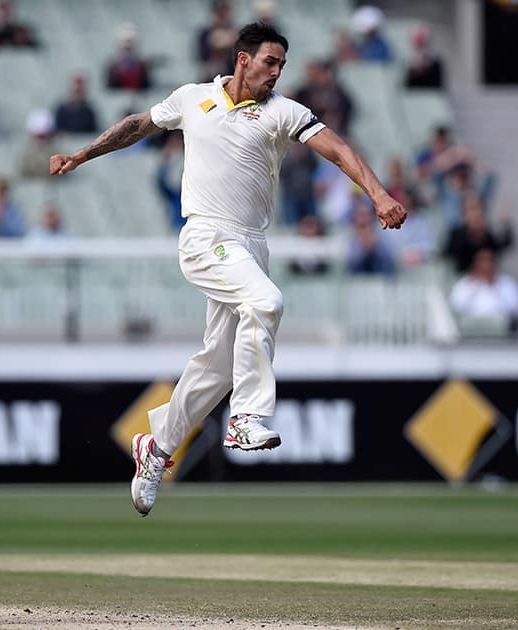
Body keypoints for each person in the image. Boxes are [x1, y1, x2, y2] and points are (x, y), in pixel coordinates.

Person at [50, 22, 407, 516]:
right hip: (205, 236)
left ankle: (155, 450)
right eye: (269, 63)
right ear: (243, 60)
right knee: (267, 301)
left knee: (217, 366)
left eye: (282, 64)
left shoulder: (283, 111)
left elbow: (339, 149)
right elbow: (137, 125)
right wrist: (81, 154)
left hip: (251, 244)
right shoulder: (194, 98)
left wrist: (379, 193)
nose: (277, 72)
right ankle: (249, 416)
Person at [449, 248, 518, 331]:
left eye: (489, 261)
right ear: (475, 264)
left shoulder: (507, 283)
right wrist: (474, 285)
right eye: (482, 261)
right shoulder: (464, 284)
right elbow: (456, 308)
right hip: (470, 332)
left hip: (502, 332)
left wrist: (494, 286)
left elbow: (515, 309)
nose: (486, 265)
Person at [405, 23, 443, 88]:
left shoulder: (435, 61)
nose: (420, 43)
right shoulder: (407, 61)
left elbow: (438, 85)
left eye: (421, 40)